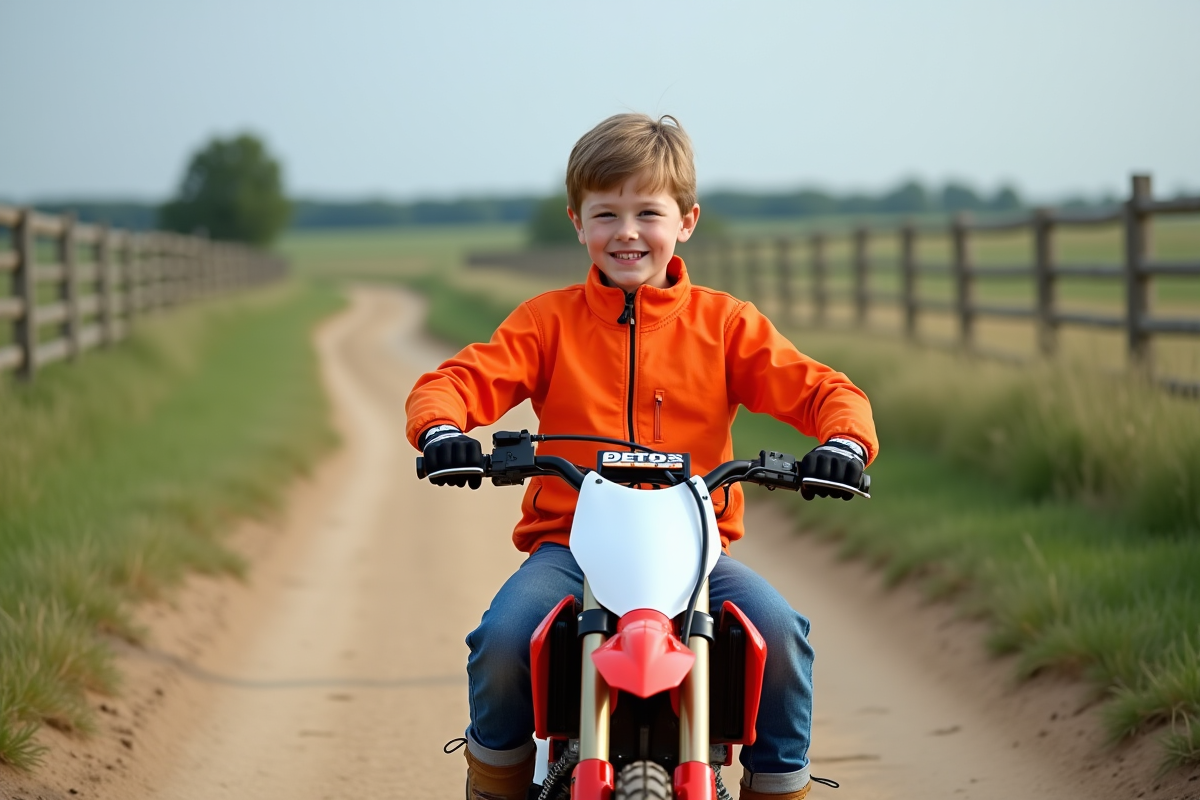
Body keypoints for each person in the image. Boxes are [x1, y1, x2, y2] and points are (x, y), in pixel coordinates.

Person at [406, 113, 878, 800]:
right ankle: (495, 784)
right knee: (503, 640)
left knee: (780, 634)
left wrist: (843, 442)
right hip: (571, 549)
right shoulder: (547, 322)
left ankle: (780, 786)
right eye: (606, 213)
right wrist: (441, 429)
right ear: (577, 222)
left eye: (647, 212)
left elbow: (823, 389)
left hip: (694, 558)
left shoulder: (726, 325)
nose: (627, 232)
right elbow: (452, 382)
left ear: (686, 220)